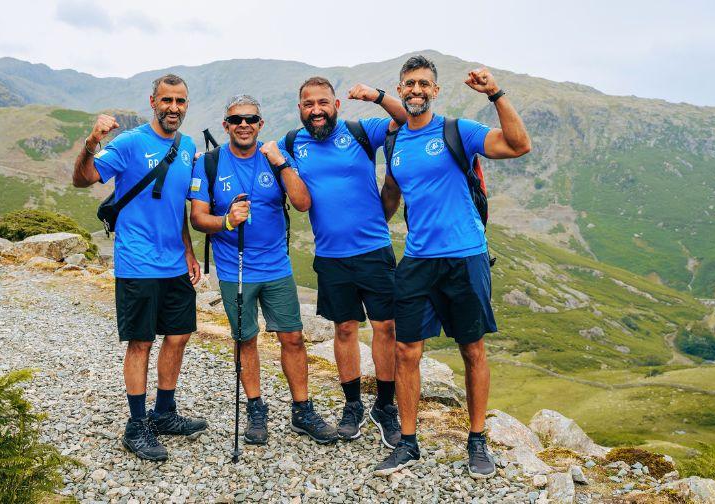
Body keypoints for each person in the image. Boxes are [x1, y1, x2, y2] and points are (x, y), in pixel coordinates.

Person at [375, 55, 531, 477]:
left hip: (465, 257)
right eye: (409, 84)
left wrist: (495, 93)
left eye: (424, 84)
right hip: (418, 260)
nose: (416, 90)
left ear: (435, 91)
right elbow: (391, 193)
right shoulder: (394, 143)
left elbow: (518, 145)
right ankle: (408, 443)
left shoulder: (456, 130)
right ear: (400, 89)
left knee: (472, 349)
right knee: (406, 350)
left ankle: (477, 440)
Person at [72, 74, 207, 462]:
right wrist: (91, 142)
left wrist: (188, 251)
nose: (174, 108)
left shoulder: (187, 147)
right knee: (141, 342)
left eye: (180, 101)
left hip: (173, 263)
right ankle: (135, 425)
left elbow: (177, 205)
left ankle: (164, 413)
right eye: (167, 100)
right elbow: (83, 179)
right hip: (137, 262)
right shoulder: (130, 143)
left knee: (179, 335)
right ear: (153, 101)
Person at [189, 94, 338, 446]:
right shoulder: (208, 163)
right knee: (246, 340)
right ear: (226, 125)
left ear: (261, 124)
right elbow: (198, 218)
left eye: (251, 119)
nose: (244, 125)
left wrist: (281, 163)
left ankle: (302, 410)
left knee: (292, 338)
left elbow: (302, 203)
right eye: (236, 119)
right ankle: (256, 408)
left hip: (276, 268)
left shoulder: (275, 159)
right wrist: (226, 220)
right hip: (233, 270)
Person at [278, 77, 408, 447]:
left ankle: (384, 406)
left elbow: (405, 118)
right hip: (331, 257)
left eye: (322, 102)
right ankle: (352, 404)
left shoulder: (361, 131)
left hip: (373, 251)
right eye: (308, 104)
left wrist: (378, 96)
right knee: (345, 330)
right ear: (300, 108)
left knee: (386, 329)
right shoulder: (292, 143)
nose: (316, 110)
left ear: (336, 104)